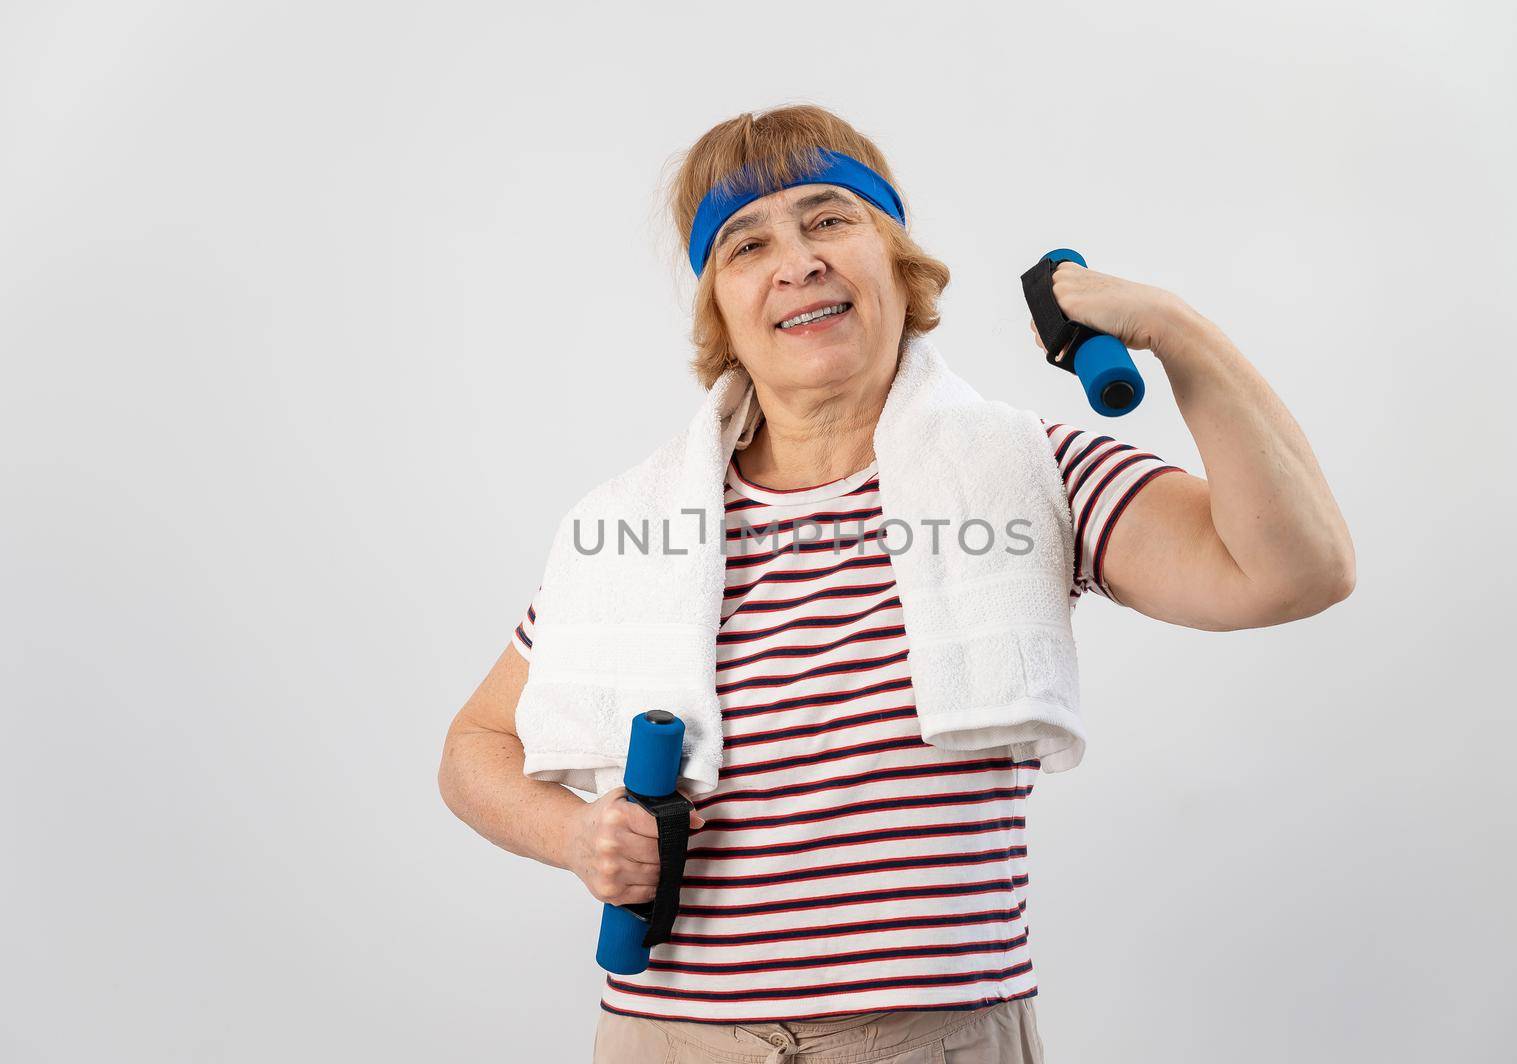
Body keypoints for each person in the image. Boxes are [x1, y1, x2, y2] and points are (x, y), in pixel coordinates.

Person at [438, 104, 1356, 1063]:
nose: (797, 261)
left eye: (830, 219)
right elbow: (473, 748)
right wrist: (576, 835)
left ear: (898, 261)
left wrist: (1175, 331)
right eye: (747, 243)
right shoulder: (636, 524)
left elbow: (1294, 572)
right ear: (722, 307)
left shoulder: (1025, 472)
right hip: (667, 1038)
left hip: (930, 1041)